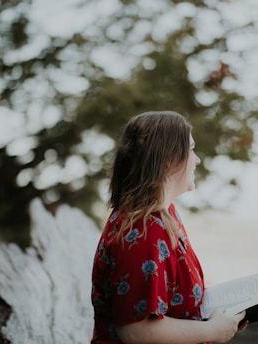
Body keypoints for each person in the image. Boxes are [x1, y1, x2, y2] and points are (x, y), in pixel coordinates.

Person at [90, 111, 246, 344]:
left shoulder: (165, 215)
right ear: (168, 158)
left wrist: (219, 318)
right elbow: (136, 331)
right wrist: (212, 331)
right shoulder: (142, 230)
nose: (197, 160)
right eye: (191, 150)